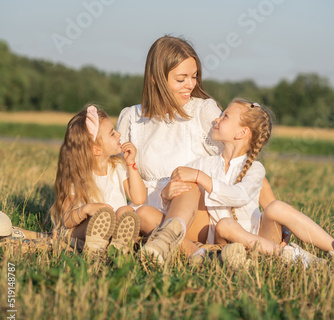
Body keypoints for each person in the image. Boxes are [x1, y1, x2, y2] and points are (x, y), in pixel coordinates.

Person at [117, 36, 277, 264]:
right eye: (181, 79)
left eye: (194, 77)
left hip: (196, 212)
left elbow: (241, 162)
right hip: (151, 207)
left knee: (187, 183)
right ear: (155, 79)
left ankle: (177, 243)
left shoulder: (203, 111)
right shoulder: (130, 117)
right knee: (128, 214)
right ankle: (202, 254)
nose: (191, 85)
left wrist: (272, 213)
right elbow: (114, 175)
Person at [144, 98, 334, 267]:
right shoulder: (204, 164)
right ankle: (285, 255)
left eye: (225, 116)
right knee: (225, 225)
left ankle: (331, 246)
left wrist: (201, 178)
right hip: (224, 241)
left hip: (260, 236)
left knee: (276, 207)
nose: (216, 120)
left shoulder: (255, 169)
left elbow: (239, 195)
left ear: (242, 132)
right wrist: (165, 193)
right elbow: (178, 197)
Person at [50, 105, 146, 252]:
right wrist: (87, 209)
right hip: (83, 231)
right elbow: (67, 219)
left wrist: (131, 163)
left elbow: (138, 198)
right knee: (100, 219)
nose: (119, 134)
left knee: (126, 210)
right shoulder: (78, 177)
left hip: (112, 228)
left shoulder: (118, 167)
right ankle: (96, 246)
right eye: (112, 133)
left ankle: (118, 245)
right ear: (96, 149)